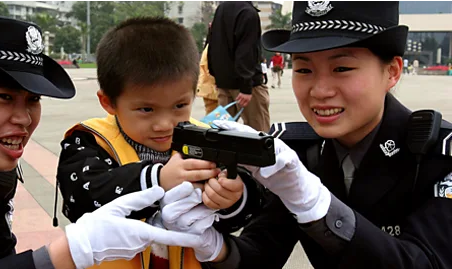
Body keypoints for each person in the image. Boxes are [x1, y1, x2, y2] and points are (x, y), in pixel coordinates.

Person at [158, 0, 452, 268]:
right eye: (303, 70)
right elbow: (260, 253)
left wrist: (318, 206)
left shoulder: (437, 155)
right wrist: (213, 247)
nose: (320, 91)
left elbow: (426, 262)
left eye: (342, 68)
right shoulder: (301, 152)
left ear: (392, 72)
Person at [0, 12, 205, 269]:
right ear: (108, 102)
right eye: (4, 97)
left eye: (33, 99)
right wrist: (65, 254)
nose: (24, 118)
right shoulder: (89, 143)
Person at [55, 17, 263, 269]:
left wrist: (233, 198)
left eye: (179, 106)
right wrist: (158, 180)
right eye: (146, 109)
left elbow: (245, 211)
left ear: (194, 93)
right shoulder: (89, 140)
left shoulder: (207, 139)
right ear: (109, 102)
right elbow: (80, 199)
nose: (165, 124)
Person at [208, 0, 270, 132]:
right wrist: (246, 86)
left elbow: (212, 44)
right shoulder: (248, 13)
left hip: (224, 83)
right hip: (247, 86)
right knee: (259, 132)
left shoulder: (221, 9)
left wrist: (216, 76)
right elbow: (246, 52)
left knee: (224, 132)